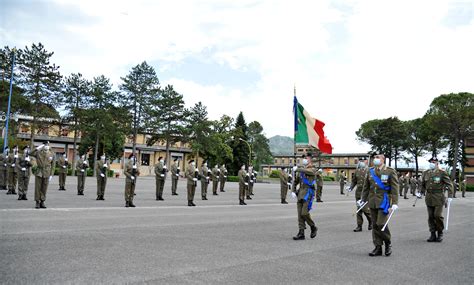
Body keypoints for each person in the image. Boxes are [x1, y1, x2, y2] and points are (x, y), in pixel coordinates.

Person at [360, 153, 398, 257]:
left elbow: (394, 188)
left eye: (377, 157)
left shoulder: (390, 171)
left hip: (384, 201)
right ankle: (377, 247)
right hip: (372, 201)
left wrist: (394, 203)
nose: (375, 159)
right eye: (374, 158)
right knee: (375, 225)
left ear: (383, 159)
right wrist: (363, 199)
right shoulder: (370, 170)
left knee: (381, 223)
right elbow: (366, 187)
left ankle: (388, 242)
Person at [418, 157, 453, 242]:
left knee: (437, 216)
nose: (432, 163)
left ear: (437, 163)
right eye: (431, 162)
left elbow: (449, 184)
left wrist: (450, 196)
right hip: (429, 197)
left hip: (438, 197)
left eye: (434, 162)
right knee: (430, 216)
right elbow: (423, 184)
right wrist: (420, 192)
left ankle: (440, 233)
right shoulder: (426, 173)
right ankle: (432, 234)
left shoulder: (442, 173)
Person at [291, 154, 318, 240]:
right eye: (303, 158)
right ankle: (301, 233)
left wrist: (298, 169)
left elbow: (310, 172)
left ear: (310, 159)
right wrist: (293, 191)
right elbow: (296, 181)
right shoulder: (302, 170)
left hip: (308, 194)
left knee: (304, 213)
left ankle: (313, 226)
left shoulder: (313, 168)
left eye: (306, 158)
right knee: (300, 215)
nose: (304, 159)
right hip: (300, 194)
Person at [30, 142, 55, 209]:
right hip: (39, 172)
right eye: (45, 145)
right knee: (38, 188)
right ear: (43, 146)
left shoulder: (51, 154)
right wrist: (37, 148)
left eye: (47, 145)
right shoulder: (38, 152)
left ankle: (42, 201)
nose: (46, 146)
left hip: (47, 172)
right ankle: (37, 201)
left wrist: (51, 174)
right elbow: (30, 153)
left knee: (44, 188)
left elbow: (53, 165)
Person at [350, 159, 372, 232]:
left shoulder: (369, 171)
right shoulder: (357, 171)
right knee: (359, 210)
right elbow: (354, 181)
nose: (361, 163)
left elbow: (372, 182)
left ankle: (371, 221)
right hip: (358, 193)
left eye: (363, 161)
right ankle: (359, 226)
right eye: (360, 161)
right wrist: (351, 188)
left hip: (366, 194)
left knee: (365, 210)